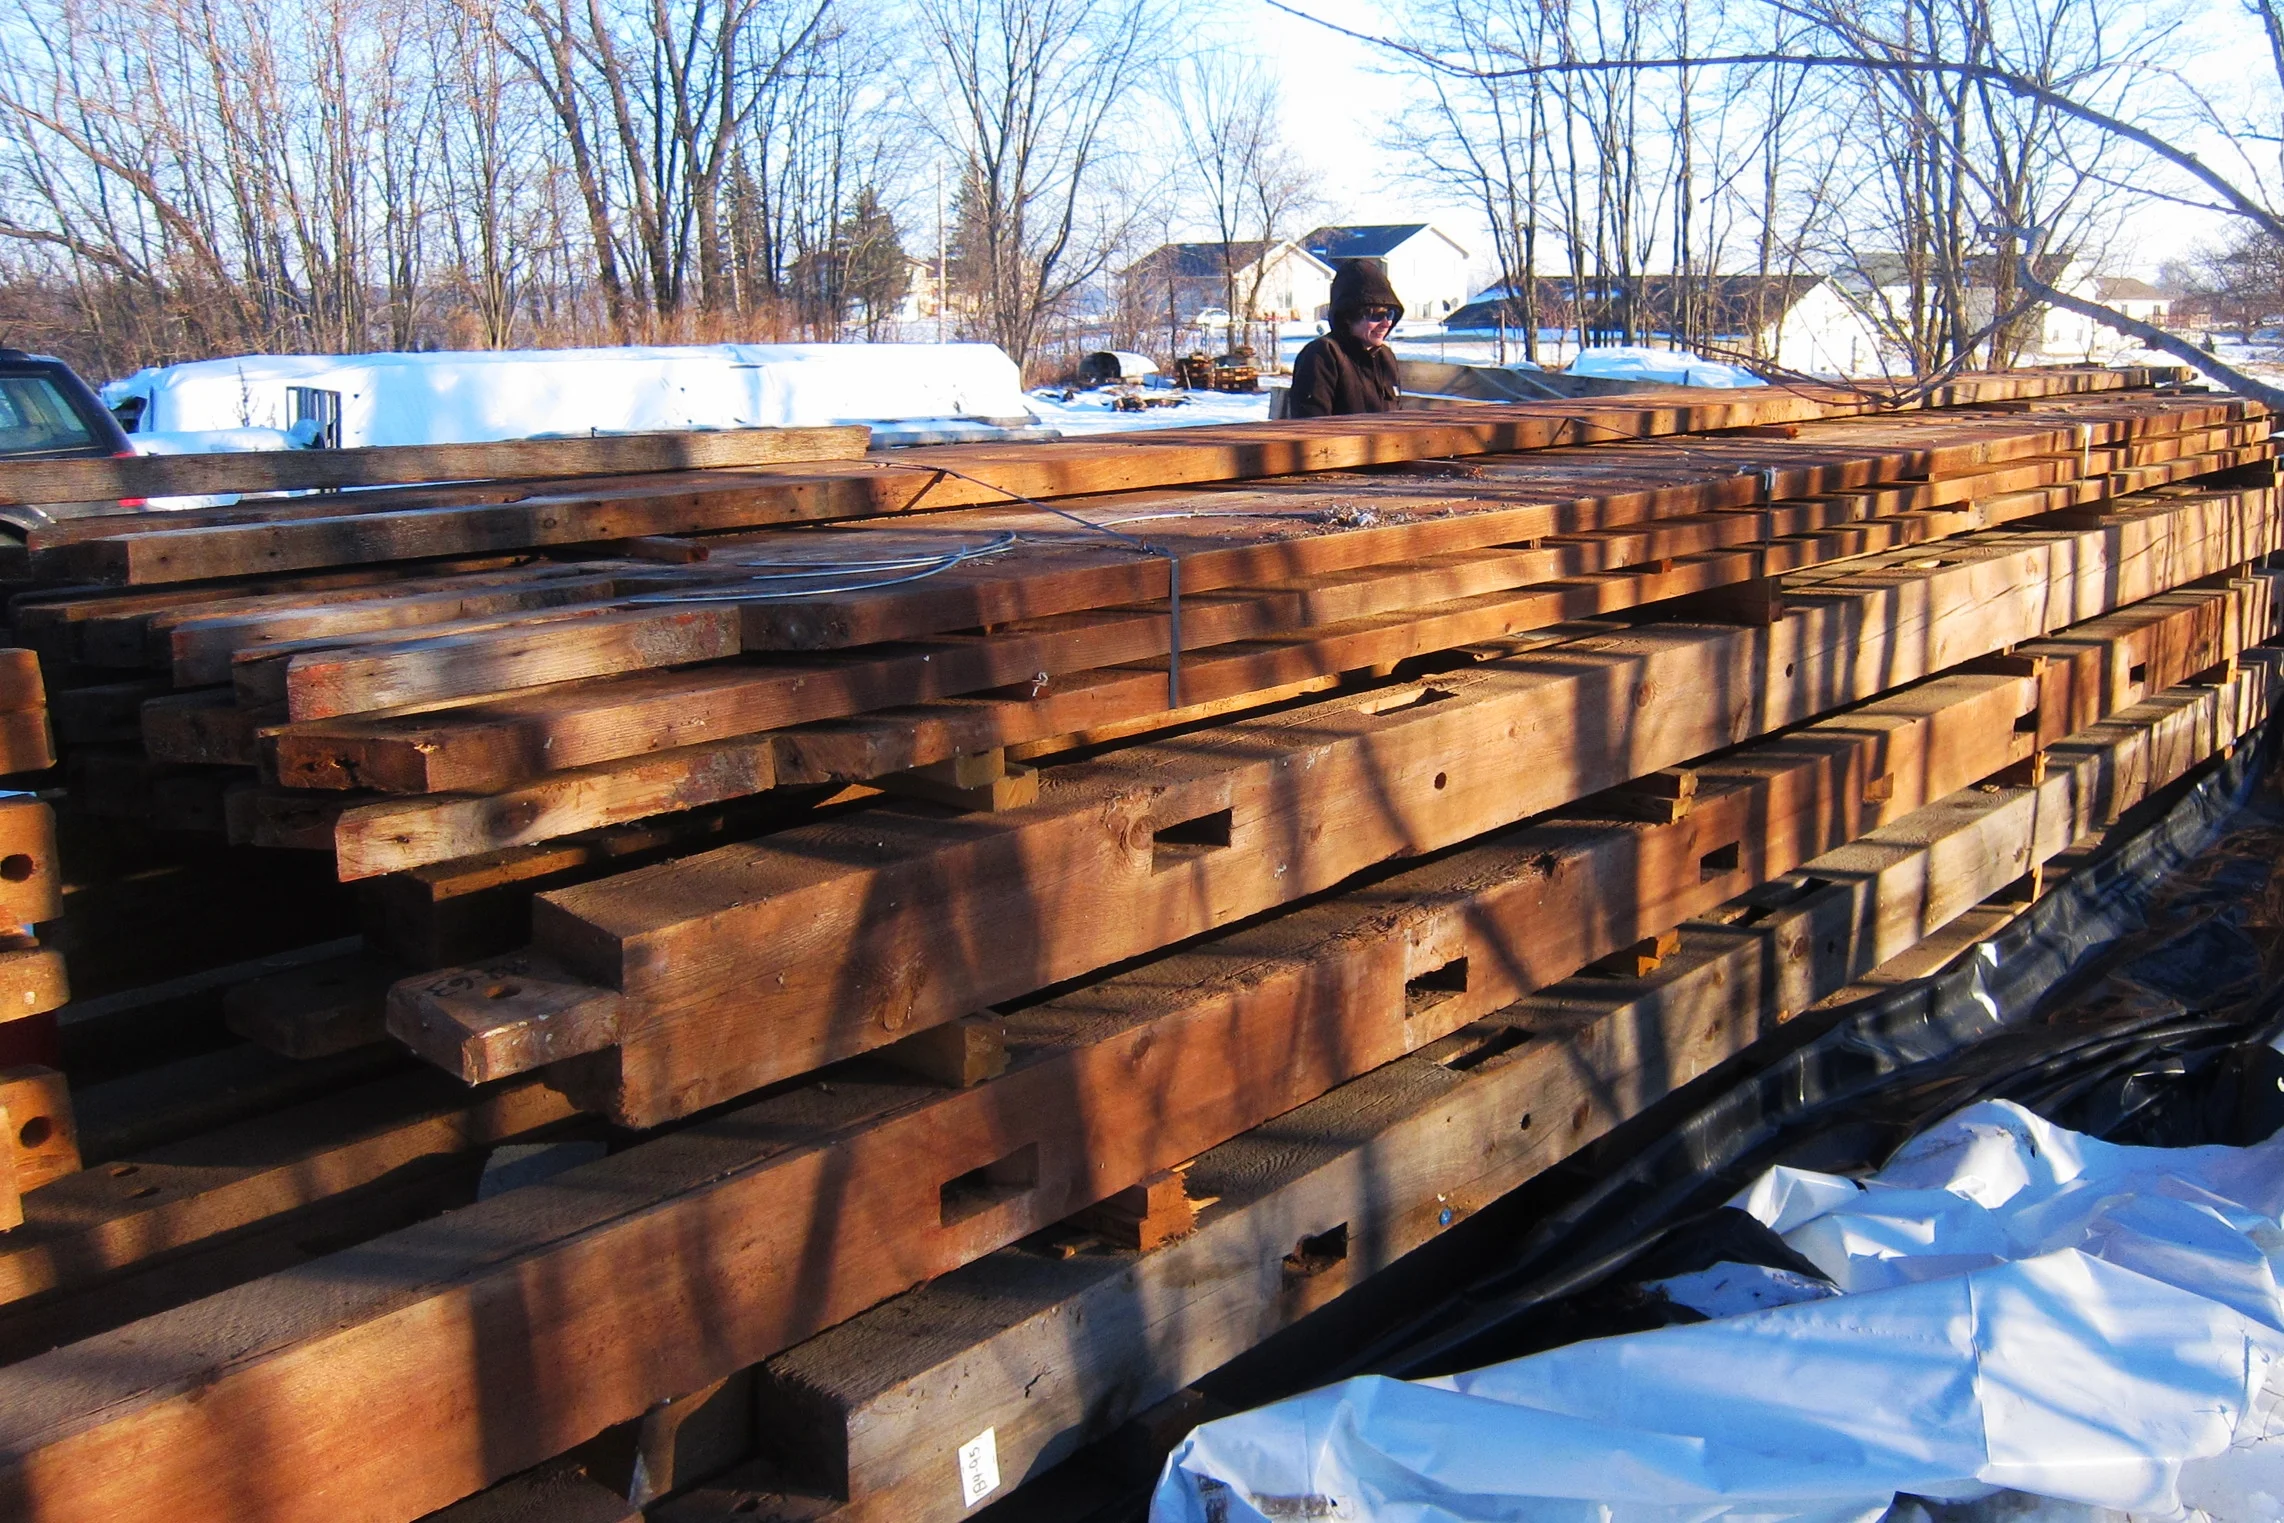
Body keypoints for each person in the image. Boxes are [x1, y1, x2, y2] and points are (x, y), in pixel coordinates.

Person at [1289, 259, 1404, 417]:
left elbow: (1396, 417)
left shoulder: (1385, 357)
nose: (1386, 323)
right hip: (1339, 441)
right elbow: (1312, 427)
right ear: (1348, 317)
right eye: (1376, 315)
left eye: (1390, 314)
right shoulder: (1323, 355)